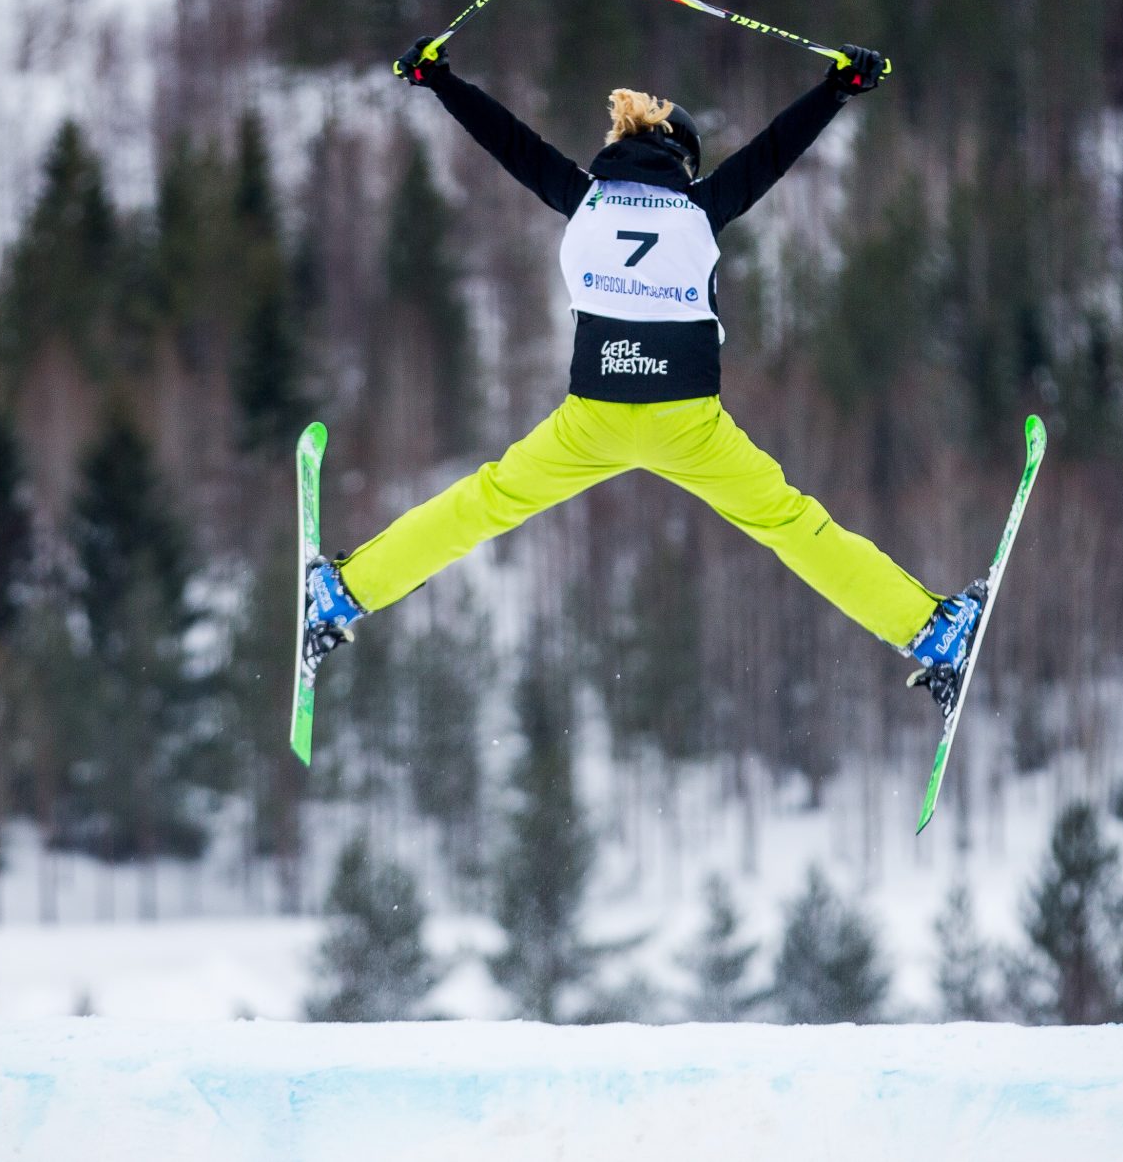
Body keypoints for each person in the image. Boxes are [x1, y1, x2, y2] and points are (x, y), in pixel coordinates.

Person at [303, 36, 984, 712]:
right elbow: (776, 149)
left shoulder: (582, 197)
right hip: (687, 422)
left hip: (591, 417)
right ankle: (930, 634)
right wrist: (840, 88)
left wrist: (438, 80)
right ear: (685, 160)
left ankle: (345, 593)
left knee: (482, 504)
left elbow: (506, 139)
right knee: (794, 528)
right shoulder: (702, 208)